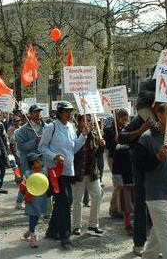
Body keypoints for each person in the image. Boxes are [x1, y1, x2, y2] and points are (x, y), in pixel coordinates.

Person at [135, 103, 167, 259]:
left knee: (158, 235)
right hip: (156, 196)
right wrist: (157, 158)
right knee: (165, 236)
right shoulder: (146, 138)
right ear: (160, 115)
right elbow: (139, 166)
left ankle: (148, 257)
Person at [39, 101, 88, 250]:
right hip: (55, 171)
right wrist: (54, 156)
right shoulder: (51, 127)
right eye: (66, 111)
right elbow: (42, 147)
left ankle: (52, 230)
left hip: (67, 170)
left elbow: (73, 149)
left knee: (64, 201)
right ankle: (65, 236)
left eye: (70, 111)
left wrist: (84, 136)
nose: (69, 113)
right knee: (65, 200)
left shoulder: (71, 127)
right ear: (59, 112)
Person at [118, 104, 155, 256]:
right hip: (142, 171)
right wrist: (142, 129)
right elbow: (122, 137)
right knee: (141, 207)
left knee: (159, 210)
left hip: (160, 173)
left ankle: (156, 245)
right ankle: (139, 243)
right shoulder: (142, 118)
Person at [72, 114, 105, 236]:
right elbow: (72, 152)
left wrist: (102, 146)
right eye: (85, 121)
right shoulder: (74, 135)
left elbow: (98, 154)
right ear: (79, 122)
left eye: (90, 121)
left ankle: (93, 224)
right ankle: (76, 226)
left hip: (92, 173)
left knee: (97, 195)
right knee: (77, 200)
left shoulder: (95, 136)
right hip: (78, 173)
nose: (88, 124)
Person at [15, 104, 46, 209]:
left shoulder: (46, 126)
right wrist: (34, 141)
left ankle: (38, 203)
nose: (38, 114)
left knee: (41, 180)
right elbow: (21, 146)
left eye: (39, 112)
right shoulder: (23, 130)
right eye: (35, 112)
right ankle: (19, 201)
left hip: (42, 159)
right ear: (30, 114)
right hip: (29, 160)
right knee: (28, 181)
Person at [104, 109, 130, 218]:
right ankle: (113, 208)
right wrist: (115, 140)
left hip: (123, 158)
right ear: (118, 118)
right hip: (113, 157)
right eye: (123, 119)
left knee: (122, 184)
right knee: (117, 183)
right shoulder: (110, 129)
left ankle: (118, 208)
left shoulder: (126, 128)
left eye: (126, 119)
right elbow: (108, 145)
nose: (125, 121)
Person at [20, 152, 47, 248]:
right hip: (31, 199)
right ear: (32, 165)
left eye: (40, 160)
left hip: (41, 199)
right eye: (37, 161)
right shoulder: (27, 174)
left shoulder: (44, 171)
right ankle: (32, 237)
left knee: (37, 217)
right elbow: (22, 185)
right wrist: (25, 191)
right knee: (33, 217)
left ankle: (29, 231)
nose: (40, 162)